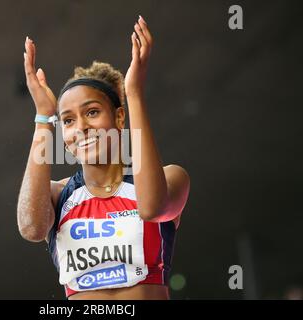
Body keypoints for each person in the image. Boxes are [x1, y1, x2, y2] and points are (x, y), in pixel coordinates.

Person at [17, 15, 190, 300]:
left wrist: (133, 93)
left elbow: (152, 208)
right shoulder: (58, 196)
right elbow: (31, 228)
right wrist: (43, 118)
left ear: (119, 117)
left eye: (92, 112)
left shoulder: (171, 178)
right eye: (68, 120)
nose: (81, 127)